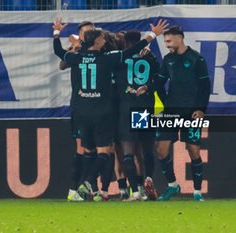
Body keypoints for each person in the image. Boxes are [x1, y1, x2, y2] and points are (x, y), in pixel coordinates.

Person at [53, 17, 169, 200]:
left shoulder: (77, 56)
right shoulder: (110, 57)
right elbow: (139, 57)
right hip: (117, 111)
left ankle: (100, 189)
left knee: (104, 151)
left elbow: (58, 52)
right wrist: (152, 35)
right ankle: (124, 185)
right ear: (97, 41)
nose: (105, 39)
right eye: (101, 37)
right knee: (126, 151)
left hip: (91, 111)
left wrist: (56, 33)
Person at [154, 26, 210, 201]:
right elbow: (159, 83)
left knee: (193, 150)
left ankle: (197, 191)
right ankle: (172, 185)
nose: (167, 45)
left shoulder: (196, 59)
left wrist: (201, 109)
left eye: (169, 41)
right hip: (171, 112)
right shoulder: (168, 59)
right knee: (161, 150)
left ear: (180, 39)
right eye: (165, 42)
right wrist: (162, 101)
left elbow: (205, 87)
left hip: (191, 113)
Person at [115, 30, 160, 201]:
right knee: (146, 149)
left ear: (126, 43)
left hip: (126, 108)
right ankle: (148, 181)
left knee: (128, 152)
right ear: (140, 41)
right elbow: (159, 79)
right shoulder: (150, 57)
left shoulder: (120, 58)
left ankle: (134, 192)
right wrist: (148, 87)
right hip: (144, 108)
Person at [63, 21, 96, 202]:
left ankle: (94, 189)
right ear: (81, 35)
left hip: (99, 106)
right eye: (87, 32)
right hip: (81, 106)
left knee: (100, 148)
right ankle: (73, 189)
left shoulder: (100, 49)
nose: (92, 34)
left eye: (93, 30)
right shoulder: (76, 51)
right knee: (82, 148)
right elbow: (62, 65)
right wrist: (73, 50)